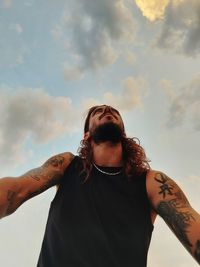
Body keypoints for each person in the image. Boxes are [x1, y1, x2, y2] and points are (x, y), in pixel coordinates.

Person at [0, 104, 199, 267]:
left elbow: (187, 220)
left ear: (124, 132)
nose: (107, 111)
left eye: (113, 111)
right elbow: (18, 189)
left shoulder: (152, 182)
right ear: (86, 135)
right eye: (98, 112)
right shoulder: (67, 165)